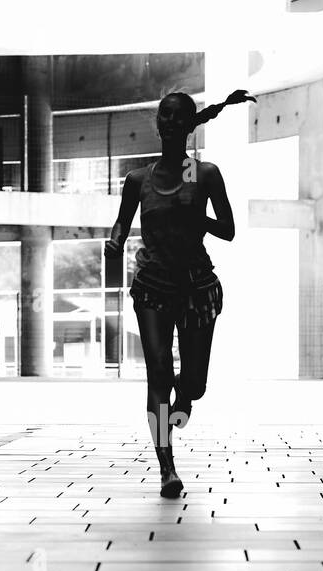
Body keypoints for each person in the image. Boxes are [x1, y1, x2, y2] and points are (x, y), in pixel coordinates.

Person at [104, 88, 254, 498]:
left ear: (189, 125)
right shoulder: (139, 180)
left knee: (193, 384)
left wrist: (199, 219)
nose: (169, 122)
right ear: (157, 124)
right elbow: (122, 223)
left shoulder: (204, 174)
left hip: (196, 287)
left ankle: (185, 399)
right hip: (152, 286)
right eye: (163, 116)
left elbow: (228, 229)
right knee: (158, 376)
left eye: (177, 117)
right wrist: (115, 242)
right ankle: (167, 467)